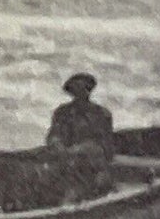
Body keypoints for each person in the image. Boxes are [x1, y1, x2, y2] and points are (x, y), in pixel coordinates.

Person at [45, 72, 115, 200]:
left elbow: (106, 147)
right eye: (75, 90)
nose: (80, 93)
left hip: (93, 165)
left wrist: (84, 149)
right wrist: (57, 144)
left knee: (98, 185)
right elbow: (53, 135)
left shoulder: (101, 114)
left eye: (84, 89)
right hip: (66, 163)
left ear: (89, 91)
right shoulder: (62, 112)